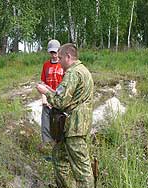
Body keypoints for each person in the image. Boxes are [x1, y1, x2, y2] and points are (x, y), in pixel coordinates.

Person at [36, 43, 94, 187]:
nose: (59, 62)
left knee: (81, 168)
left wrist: (45, 92)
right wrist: (51, 90)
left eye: (61, 58)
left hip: (74, 127)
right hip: (74, 126)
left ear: (68, 57)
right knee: (59, 157)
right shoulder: (83, 70)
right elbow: (72, 97)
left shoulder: (73, 73)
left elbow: (60, 101)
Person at [39, 39, 64, 151]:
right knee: (46, 121)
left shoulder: (63, 65)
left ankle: (60, 144)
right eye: (52, 53)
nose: (54, 55)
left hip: (60, 98)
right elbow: (43, 83)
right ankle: (47, 146)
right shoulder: (46, 65)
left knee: (59, 122)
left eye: (56, 52)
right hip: (48, 97)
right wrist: (44, 99)